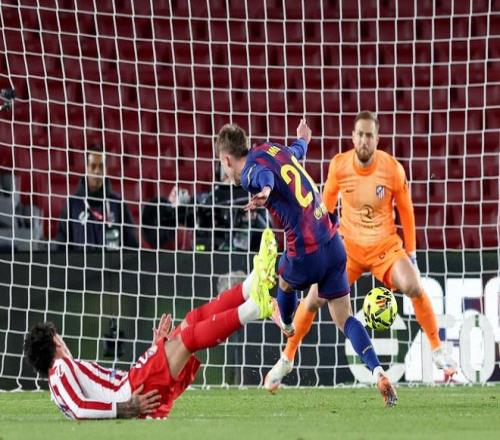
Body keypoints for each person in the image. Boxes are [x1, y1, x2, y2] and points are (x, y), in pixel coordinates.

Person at [264, 111, 458, 392]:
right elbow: (324, 207)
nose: (364, 140)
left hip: (385, 248)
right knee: (313, 300)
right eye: (360, 134)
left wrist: (412, 255)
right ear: (353, 137)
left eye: (369, 135)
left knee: (414, 285)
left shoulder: (392, 169)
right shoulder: (339, 165)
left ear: (377, 139)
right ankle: (287, 358)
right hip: (348, 249)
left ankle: (438, 350)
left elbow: (406, 212)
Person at [216, 119, 397, 406]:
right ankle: (378, 371)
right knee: (345, 319)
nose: (226, 172)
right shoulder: (272, 149)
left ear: (227, 159)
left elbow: (265, 177)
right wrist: (303, 139)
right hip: (333, 242)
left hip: (305, 249)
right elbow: (295, 152)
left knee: (283, 281)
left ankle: (287, 324)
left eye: (222, 165)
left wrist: (264, 192)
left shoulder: (249, 173)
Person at [24, 229, 278, 420]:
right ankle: (253, 308)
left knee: (191, 321)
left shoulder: (59, 379)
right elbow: (79, 408)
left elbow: (85, 402)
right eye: (60, 338)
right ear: (56, 342)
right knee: (188, 337)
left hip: (135, 385)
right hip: (134, 391)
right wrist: (123, 408)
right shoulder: (60, 369)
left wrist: (155, 348)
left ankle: (249, 287)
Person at [54, 145, 138, 251]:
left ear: (106, 170)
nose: (97, 171)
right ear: (86, 169)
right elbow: (61, 247)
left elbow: (132, 246)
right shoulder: (72, 204)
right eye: (93, 166)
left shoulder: (118, 203)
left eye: (101, 166)